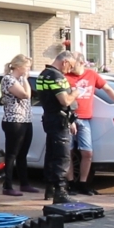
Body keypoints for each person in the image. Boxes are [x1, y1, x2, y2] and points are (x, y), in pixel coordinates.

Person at [64, 53, 114, 195]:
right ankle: (70, 183)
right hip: (70, 118)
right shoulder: (66, 77)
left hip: (85, 118)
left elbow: (107, 89)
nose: (71, 67)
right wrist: (69, 119)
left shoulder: (91, 75)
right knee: (68, 152)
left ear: (81, 63)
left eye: (73, 65)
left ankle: (83, 183)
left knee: (87, 152)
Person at [37, 51, 79, 204]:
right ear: (65, 62)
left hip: (49, 117)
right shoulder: (57, 76)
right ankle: (60, 191)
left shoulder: (43, 74)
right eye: (71, 66)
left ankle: (50, 188)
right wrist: (75, 93)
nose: (70, 70)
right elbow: (65, 100)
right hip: (59, 120)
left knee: (51, 153)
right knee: (62, 155)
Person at [0, 54, 39, 197]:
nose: (28, 69)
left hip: (26, 119)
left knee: (23, 154)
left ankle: (24, 183)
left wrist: (24, 79)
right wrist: (26, 80)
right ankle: (7, 185)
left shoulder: (21, 79)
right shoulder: (8, 79)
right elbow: (25, 95)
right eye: (27, 66)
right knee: (12, 154)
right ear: (18, 66)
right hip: (13, 120)